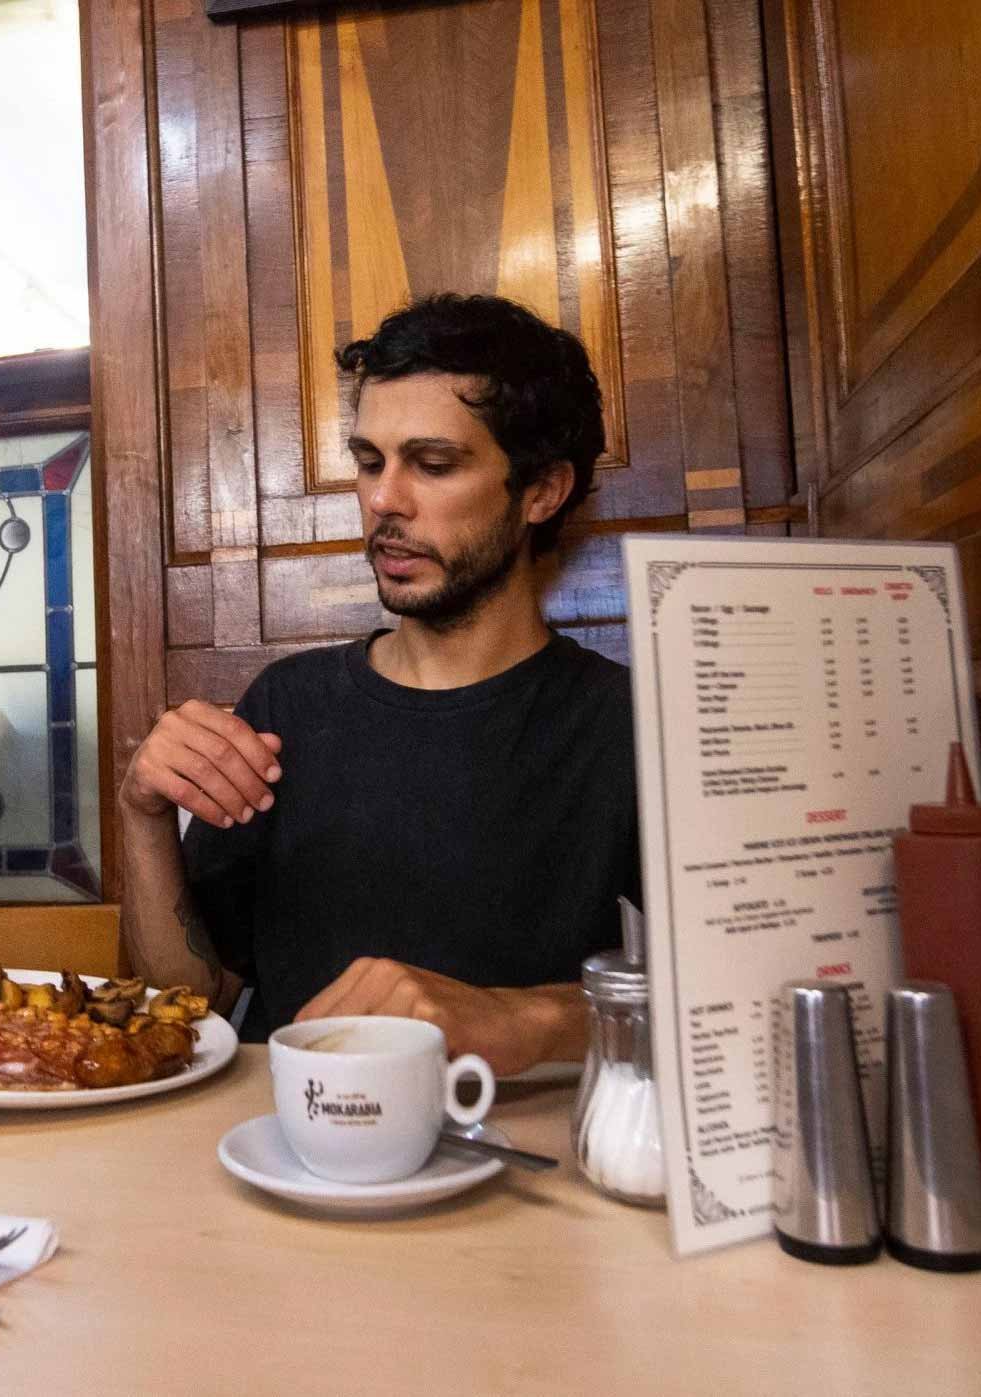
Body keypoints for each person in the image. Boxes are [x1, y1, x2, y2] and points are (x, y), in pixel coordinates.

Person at [116, 293, 640, 1073]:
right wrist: (143, 814)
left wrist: (526, 1016)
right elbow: (189, 1005)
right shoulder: (287, 707)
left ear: (542, 490)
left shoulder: (632, 726)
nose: (383, 500)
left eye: (433, 464)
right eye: (369, 462)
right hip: (285, 1135)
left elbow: (725, 1007)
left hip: (524, 1142)